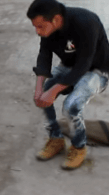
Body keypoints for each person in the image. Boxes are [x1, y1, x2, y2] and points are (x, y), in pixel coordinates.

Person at [27, 0, 109, 169]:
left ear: (56, 20)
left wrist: (55, 90)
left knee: (71, 106)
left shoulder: (86, 22)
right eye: (35, 27)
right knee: (43, 93)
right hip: (70, 66)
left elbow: (84, 64)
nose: (37, 31)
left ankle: (79, 147)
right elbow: (44, 56)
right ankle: (56, 139)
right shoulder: (48, 31)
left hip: (97, 70)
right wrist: (39, 88)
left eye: (40, 26)